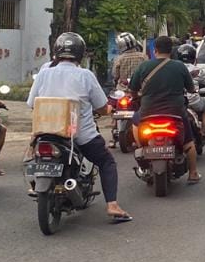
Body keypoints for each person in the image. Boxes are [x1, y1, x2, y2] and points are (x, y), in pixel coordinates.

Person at [28, 32, 131, 222]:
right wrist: (108, 108)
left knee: (33, 154)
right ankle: (113, 205)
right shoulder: (85, 75)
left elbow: (31, 103)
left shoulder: (44, 72)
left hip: (47, 132)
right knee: (107, 162)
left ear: (57, 52)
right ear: (80, 53)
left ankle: (35, 182)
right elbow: (101, 106)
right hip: (80, 135)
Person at [129, 36, 200, 184]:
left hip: (148, 112)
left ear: (155, 50)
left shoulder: (144, 66)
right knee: (188, 143)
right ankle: (193, 173)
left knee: (135, 122)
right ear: (171, 51)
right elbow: (191, 88)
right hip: (176, 112)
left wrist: (136, 97)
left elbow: (133, 90)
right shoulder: (179, 66)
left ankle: (142, 146)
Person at [176, 43, 205, 143]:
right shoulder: (197, 70)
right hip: (193, 101)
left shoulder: (174, 68)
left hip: (176, 101)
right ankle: (203, 131)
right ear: (194, 57)